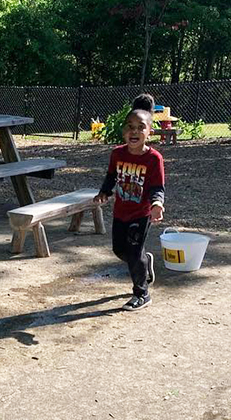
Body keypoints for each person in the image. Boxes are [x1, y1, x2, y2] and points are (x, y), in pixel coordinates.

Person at [93, 93, 167, 311]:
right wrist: (104, 192)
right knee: (119, 250)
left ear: (149, 132)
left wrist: (157, 205)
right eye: (130, 126)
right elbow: (111, 176)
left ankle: (142, 293)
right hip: (120, 212)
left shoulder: (154, 159)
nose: (134, 131)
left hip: (141, 213)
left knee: (134, 253)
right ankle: (144, 264)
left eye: (140, 127)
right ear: (124, 130)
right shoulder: (117, 154)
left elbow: (157, 187)